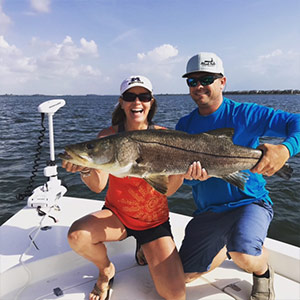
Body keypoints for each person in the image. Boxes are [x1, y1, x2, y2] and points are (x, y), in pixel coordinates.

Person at [176, 52, 300, 300]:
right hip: (209, 210)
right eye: (192, 81)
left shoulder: (246, 114)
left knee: (244, 254)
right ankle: (222, 247)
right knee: (183, 277)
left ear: (222, 82)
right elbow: (183, 177)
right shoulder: (184, 126)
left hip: (250, 201)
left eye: (207, 79)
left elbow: (296, 122)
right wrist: (192, 177)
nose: (199, 86)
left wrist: (286, 149)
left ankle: (263, 272)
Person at [62, 75, 186, 300]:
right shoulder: (108, 137)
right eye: (130, 96)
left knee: (175, 294)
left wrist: (181, 170)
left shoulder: (167, 137)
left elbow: (168, 191)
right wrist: (84, 167)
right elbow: (98, 186)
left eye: (144, 96)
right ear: (121, 102)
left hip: (154, 222)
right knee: (77, 236)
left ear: (151, 102)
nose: (137, 102)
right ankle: (106, 270)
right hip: (117, 216)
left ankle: (143, 246)